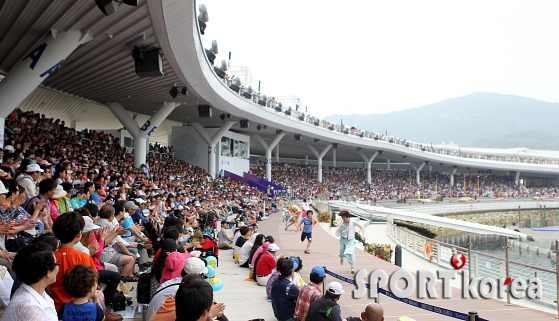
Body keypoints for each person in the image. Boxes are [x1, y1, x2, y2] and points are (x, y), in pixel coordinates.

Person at [3, 242, 59, 321]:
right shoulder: (30, 309)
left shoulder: (35, 293)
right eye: (56, 264)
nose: (58, 267)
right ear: (47, 272)